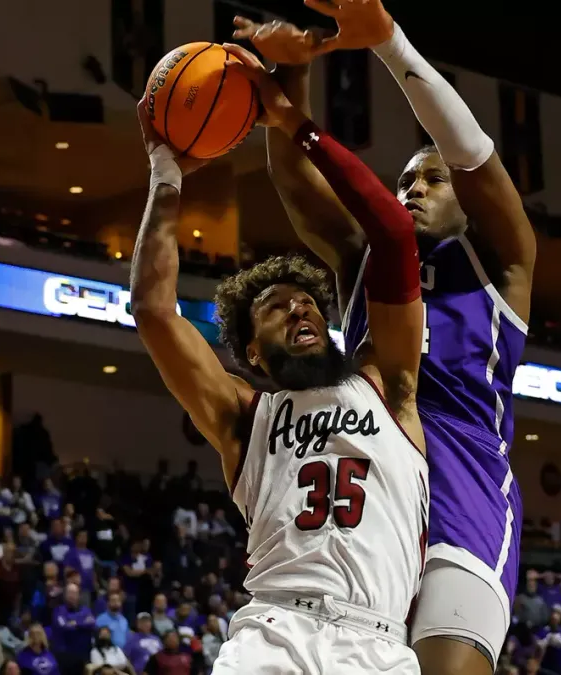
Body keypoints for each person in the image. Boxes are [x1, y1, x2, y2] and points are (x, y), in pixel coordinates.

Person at [233, 1, 537, 671]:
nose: (413, 189)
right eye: (404, 182)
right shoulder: (365, 261)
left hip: (463, 488)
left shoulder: (502, 262)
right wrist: (293, 70)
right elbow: (295, 181)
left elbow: (473, 154)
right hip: (373, 496)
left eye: (432, 179)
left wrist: (391, 45)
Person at [130, 42, 429, 674]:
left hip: (376, 642)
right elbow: (154, 310)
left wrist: (296, 123)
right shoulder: (246, 417)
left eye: (308, 303)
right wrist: (165, 174)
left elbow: (394, 235)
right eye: (276, 308)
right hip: (274, 632)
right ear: (251, 354)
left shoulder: (387, 380)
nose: (299, 310)